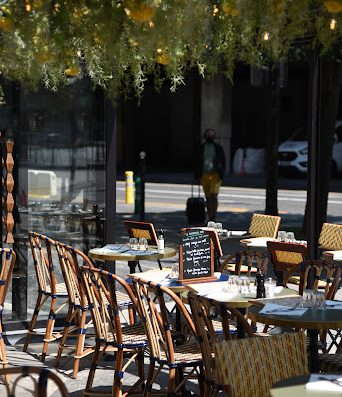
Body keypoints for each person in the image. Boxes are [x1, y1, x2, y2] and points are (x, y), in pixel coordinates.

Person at [195, 128, 226, 222]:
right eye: (208, 135)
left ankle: (214, 216)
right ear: (205, 136)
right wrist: (196, 175)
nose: (210, 136)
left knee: (214, 195)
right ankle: (209, 216)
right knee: (208, 197)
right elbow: (197, 162)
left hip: (215, 174)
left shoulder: (218, 147)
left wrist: (222, 172)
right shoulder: (201, 147)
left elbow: (223, 161)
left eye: (211, 135)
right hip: (204, 174)